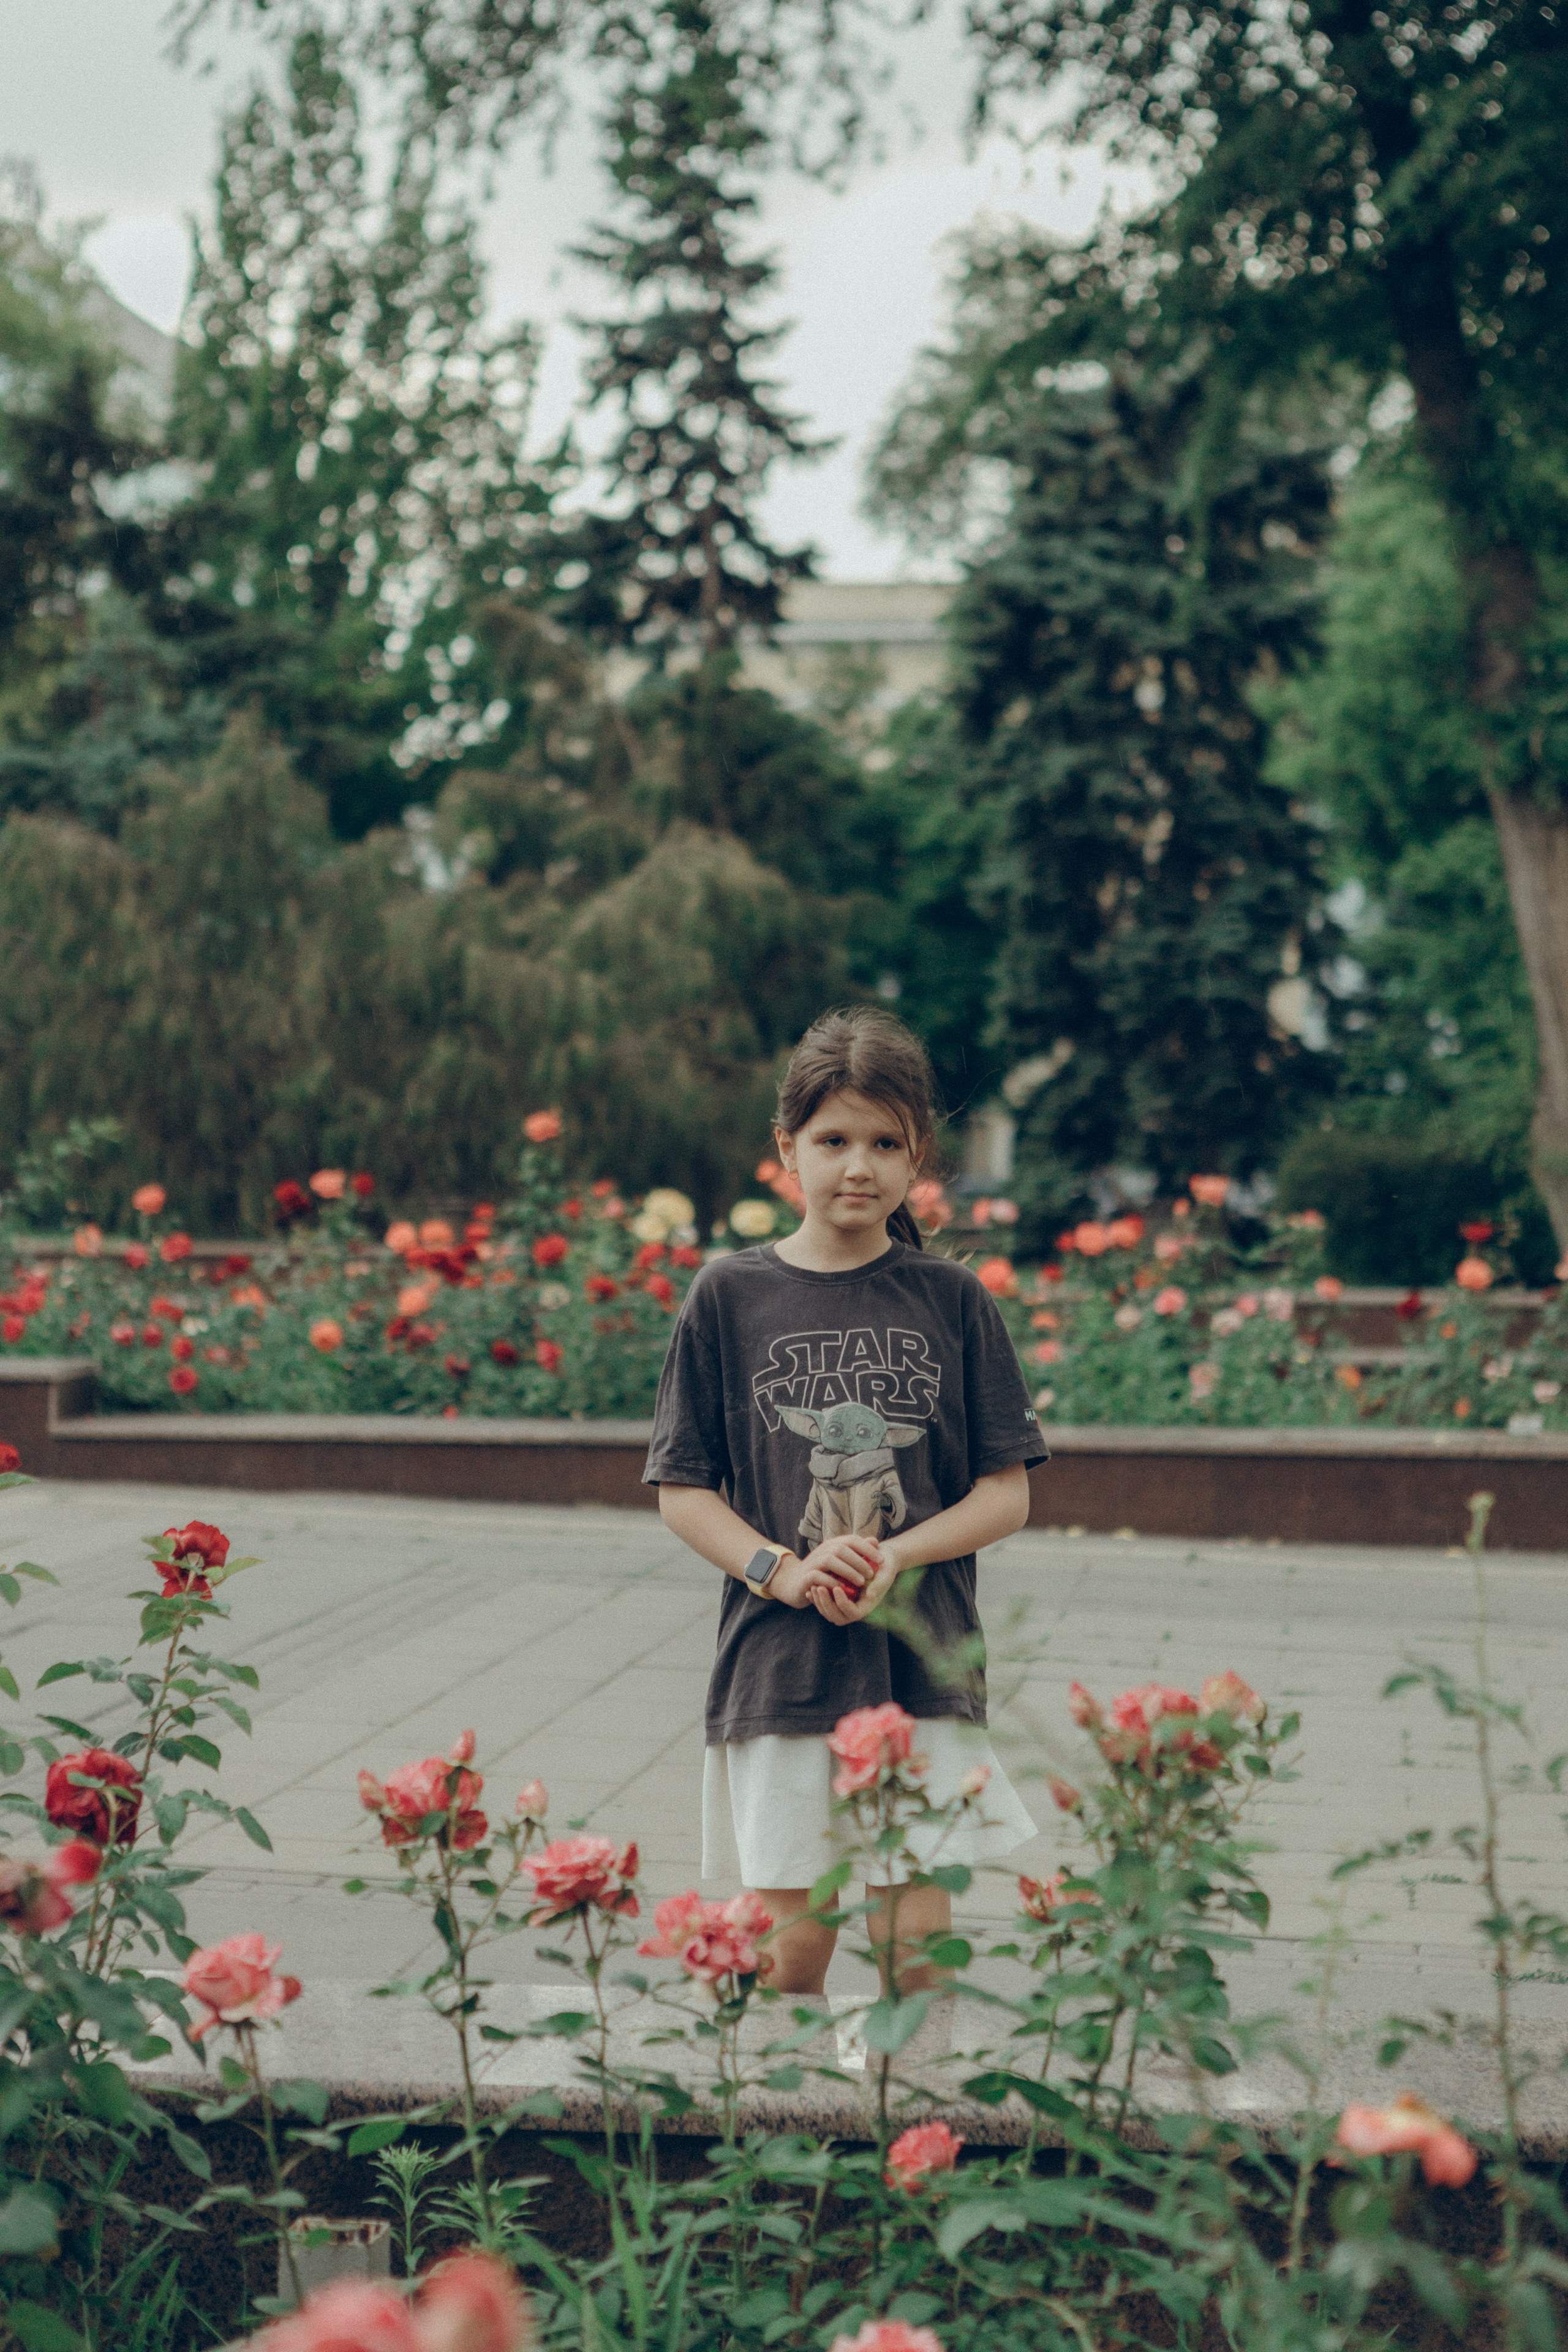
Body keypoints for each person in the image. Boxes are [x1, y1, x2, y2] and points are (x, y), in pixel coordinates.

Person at [644, 1006, 1047, 1996]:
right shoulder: (727, 1297)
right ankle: (782, 2146)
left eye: (885, 1143)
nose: (857, 1166)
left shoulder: (953, 1301)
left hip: (920, 1659)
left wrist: (891, 1558)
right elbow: (684, 1492)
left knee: (916, 1953)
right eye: (833, 1141)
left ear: (918, 1160)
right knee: (793, 1955)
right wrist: (784, 1570)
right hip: (781, 1668)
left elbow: (1006, 1495)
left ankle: (917, 2142)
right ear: (787, 1148)